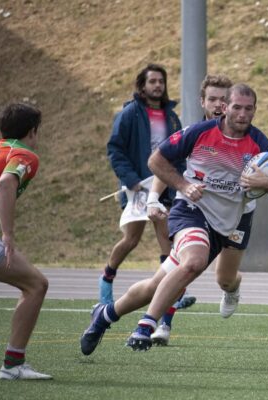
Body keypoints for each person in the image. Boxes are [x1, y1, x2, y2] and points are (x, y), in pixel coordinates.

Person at [80, 83, 268, 355]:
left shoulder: (260, 144)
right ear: (225, 108)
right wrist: (182, 186)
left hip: (225, 224)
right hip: (191, 210)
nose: (242, 114)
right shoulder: (200, 132)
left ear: (255, 110)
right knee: (193, 261)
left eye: (249, 108)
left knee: (154, 286)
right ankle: (147, 325)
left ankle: (105, 315)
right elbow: (155, 161)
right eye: (237, 107)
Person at [151, 73, 255, 346]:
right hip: (197, 210)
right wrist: (153, 198)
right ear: (202, 102)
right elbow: (164, 163)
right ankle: (163, 323)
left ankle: (233, 287)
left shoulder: (248, 134)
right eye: (213, 99)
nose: (219, 105)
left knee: (224, 278)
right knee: (188, 263)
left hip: (237, 214)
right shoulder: (195, 133)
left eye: (224, 99)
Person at [100, 63, 195, 309]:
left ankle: (174, 291)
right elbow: (116, 149)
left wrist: (180, 180)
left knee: (166, 236)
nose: (157, 86)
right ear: (142, 85)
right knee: (131, 240)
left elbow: (178, 152)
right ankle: (106, 280)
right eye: (152, 81)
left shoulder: (172, 117)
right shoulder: (130, 113)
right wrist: (130, 180)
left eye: (160, 81)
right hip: (137, 187)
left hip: (164, 186)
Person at [0, 103, 51, 380]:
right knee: (35, 285)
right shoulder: (24, 153)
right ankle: (12, 365)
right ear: (33, 132)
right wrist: (8, 234)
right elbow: (6, 183)